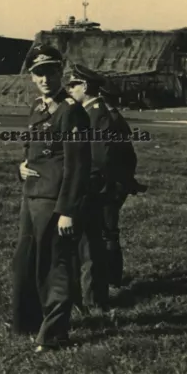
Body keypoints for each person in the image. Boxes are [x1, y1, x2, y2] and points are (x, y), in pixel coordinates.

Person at [11, 44, 91, 353]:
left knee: (55, 266)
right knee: (25, 263)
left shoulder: (71, 111)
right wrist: (21, 167)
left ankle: (54, 335)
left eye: (50, 72)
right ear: (31, 77)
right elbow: (31, 148)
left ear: (61, 73)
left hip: (54, 201)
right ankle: (27, 323)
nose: (45, 79)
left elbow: (78, 166)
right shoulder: (37, 108)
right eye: (38, 73)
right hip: (31, 196)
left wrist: (68, 210)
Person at [66, 63, 116, 311]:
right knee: (83, 244)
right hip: (85, 187)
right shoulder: (90, 111)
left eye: (73, 84)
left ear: (85, 86)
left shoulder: (96, 113)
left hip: (90, 189)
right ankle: (85, 297)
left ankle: (94, 300)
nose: (70, 89)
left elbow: (99, 158)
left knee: (90, 245)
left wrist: (86, 187)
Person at [100, 85, 147, 288]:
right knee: (108, 231)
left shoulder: (110, 121)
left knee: (108, 232)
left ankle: (112, 278)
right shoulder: (115, 119)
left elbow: (115, 158)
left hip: (112, 185)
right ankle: (112, 277)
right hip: (117, 183)